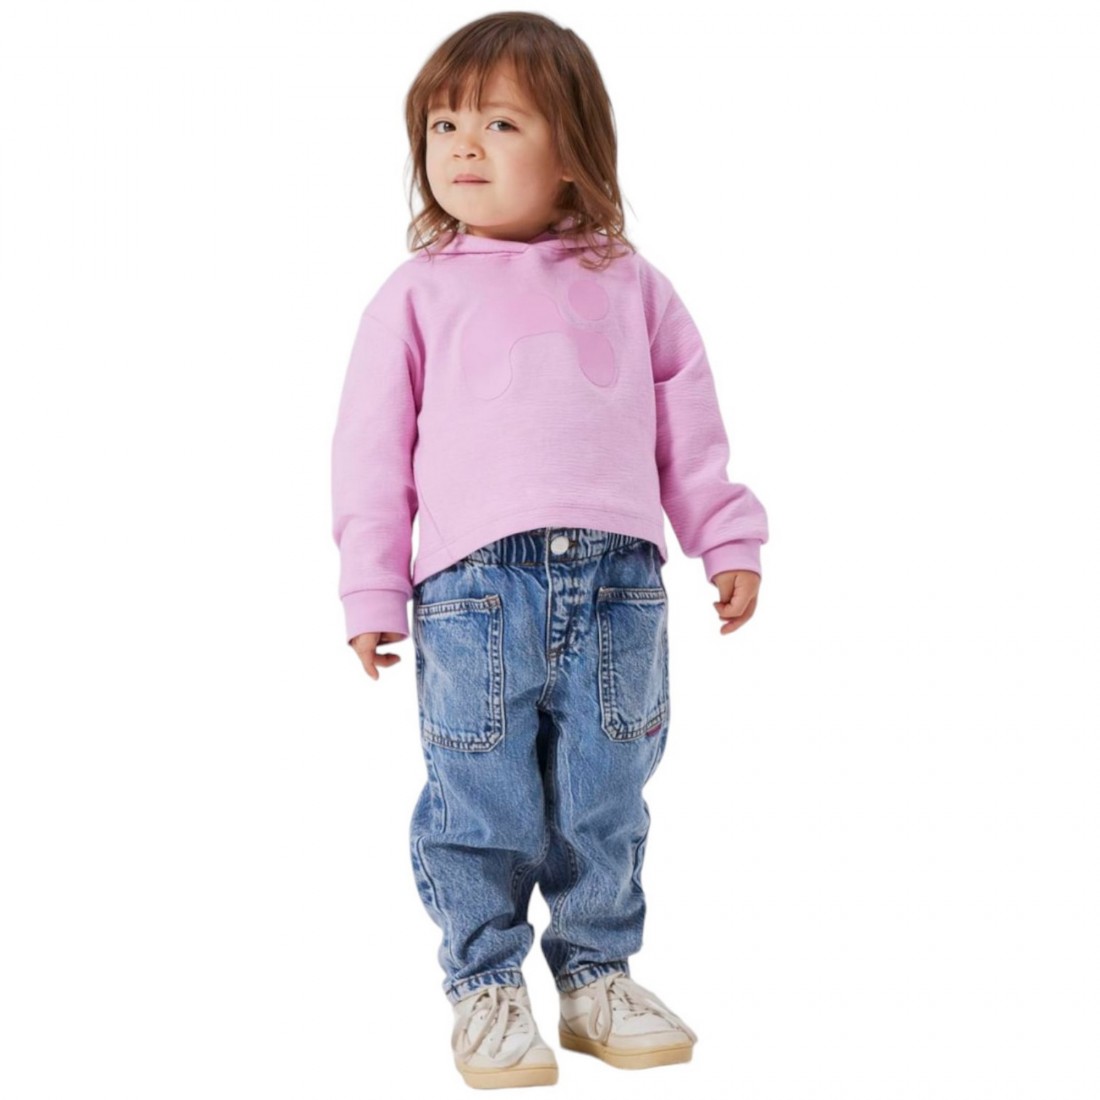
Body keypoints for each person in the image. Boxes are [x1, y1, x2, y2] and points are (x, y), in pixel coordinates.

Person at [330, 12, 769, 1090]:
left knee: (605, 793)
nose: (462, 147)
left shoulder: (632, 283)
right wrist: (370, 585)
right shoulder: (416, 294)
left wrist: (723, 533)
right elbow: (369, 453)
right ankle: (485, 983)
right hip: (472, 591)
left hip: (621, 584)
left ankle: (596, 973)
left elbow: (689, 431)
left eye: (499, 122)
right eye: (442, 125)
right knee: (479, 797)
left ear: (572, 148)